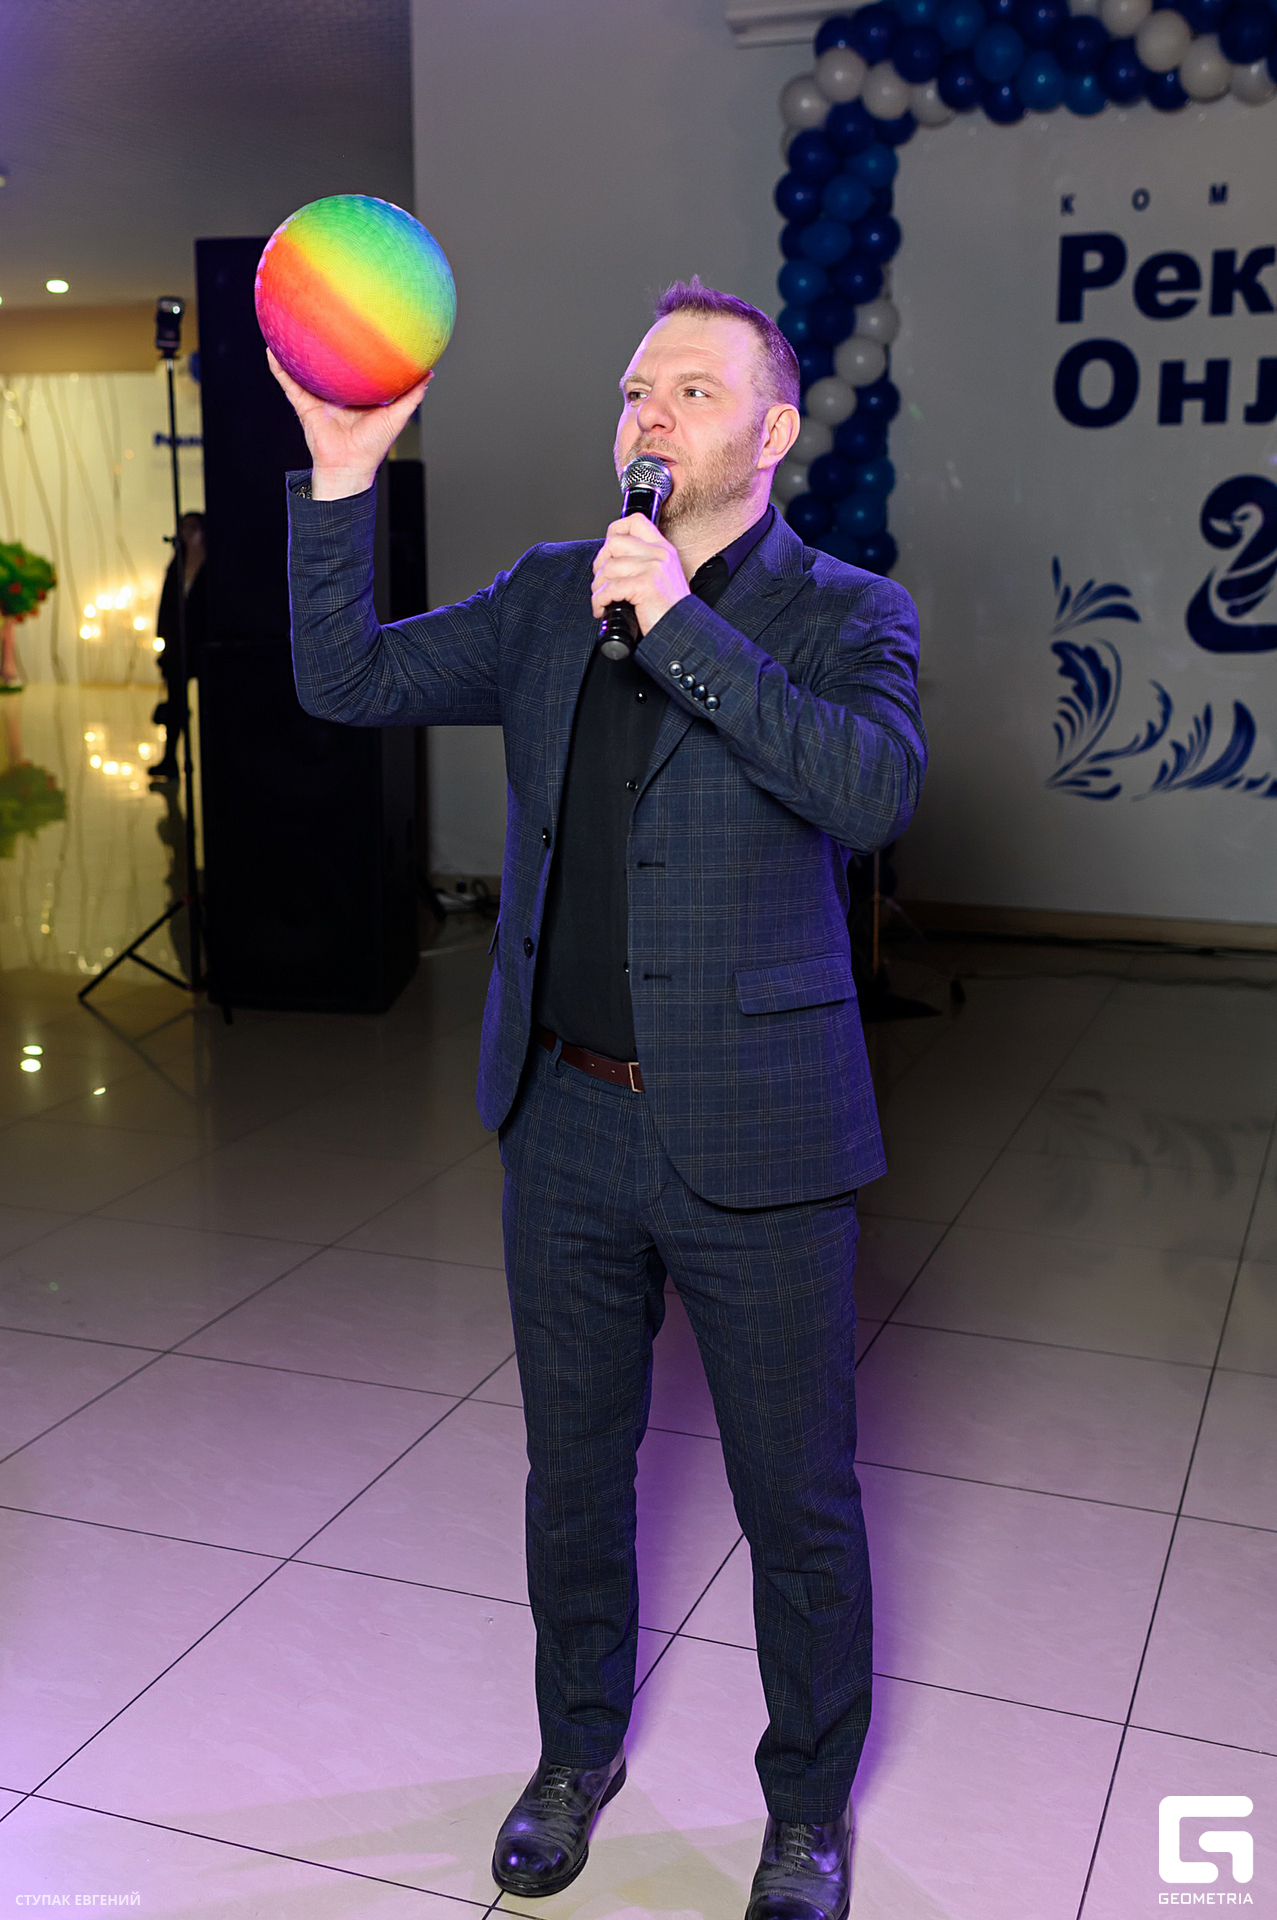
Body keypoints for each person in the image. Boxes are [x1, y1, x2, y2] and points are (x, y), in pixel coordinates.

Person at [273, 277, 926, 1920]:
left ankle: (805, 1811)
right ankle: (573, 1756)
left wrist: (681, 627)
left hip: (759, 1134)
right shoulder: (549, 594)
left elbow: (869, 790)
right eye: (637, 390)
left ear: (772, 434)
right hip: (562, 1117)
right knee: (573, 1474)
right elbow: (346, 679)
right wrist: (342, 479)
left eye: (692, 391)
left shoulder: (849, 612)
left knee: (795, 1497)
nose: (649, 414)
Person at [150, 510, 208, 782]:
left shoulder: (211, 562)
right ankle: (170, 758)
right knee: (175, 705)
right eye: (184, 527)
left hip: (203, 642)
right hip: (179, 645)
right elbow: (167, 603)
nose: (188, 533)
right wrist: (163, 637)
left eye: (193, 527)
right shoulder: (178, 562)